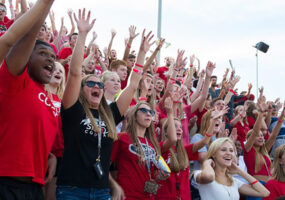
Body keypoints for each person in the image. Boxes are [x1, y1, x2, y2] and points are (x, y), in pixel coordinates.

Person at [56, 9, 153, 199]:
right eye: (90, 83)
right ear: (82, 89)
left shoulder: (110, 114)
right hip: (72, 190)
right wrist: (82, 35)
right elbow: (75, 72)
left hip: (101, 191)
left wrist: (141, 53)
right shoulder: (73, 110)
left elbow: (133, 84)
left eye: (100, 84)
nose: (96, 87)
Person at [0, 0, 58, 199]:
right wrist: (45, 5)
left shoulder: (50, 101)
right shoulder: (14, 80)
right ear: (27, 58)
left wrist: (50, 156)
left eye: (53, 56)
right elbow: (23, 38)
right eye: (42, 53)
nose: (51, 59)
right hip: (5, 183)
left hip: (34, 187)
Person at [111, 99, 177, 200]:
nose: (148, 114)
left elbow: (173, 139)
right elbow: (105, 166)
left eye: (151, 112)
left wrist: (160, 176)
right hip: (127, 195)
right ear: (135, 116)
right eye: (143, 110)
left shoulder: (153, 144)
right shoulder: (121, 138)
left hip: (148, 196)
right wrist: (114, 186)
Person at [155, 107, 227, 200]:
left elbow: (205, 141)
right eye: (175, 126)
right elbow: (172, 139)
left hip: (184, 197)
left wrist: (213, 122)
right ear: (165, 132)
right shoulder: (161, 148)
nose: (179, 129)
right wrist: (170, 112)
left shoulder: (185, 150)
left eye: (180, 127)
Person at [194, 138, 270, 200]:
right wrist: (207, 162)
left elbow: (265, 193)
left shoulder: (234, 181)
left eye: (231, 150)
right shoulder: (199, 173)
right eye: (223, 150)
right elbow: (209, 177)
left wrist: (240, 171)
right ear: (213, 154)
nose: (229, 153)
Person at [44, 62, 66, 200]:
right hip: (41, 151)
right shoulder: (39, 94)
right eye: (54, 69)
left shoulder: (64, 101)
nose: (58, 72)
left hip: (59, 153)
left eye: (61, 71)